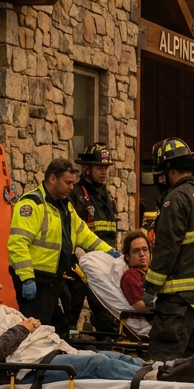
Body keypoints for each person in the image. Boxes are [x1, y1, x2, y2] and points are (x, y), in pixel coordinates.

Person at [0, 258, 194, 384]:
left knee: (111, 355)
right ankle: (160, 378)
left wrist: (27, 328)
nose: (0, 287)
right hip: (22, 372)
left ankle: (168, 366)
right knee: (96, 363)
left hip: (39, 356)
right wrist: (23, 327)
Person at [8, 158, 117, 338]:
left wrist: (109, 252)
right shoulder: (32, 205)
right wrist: (27, 278)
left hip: (54, 279)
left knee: (60, 328)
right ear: (52, 179)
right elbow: (18, 243)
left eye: (72, 183)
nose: (71, 187)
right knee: (38, 331)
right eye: (67, 182)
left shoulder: (64, 206)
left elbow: (84, 234)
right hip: (36, 279)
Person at [144, 138, 194, 362]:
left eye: (162, 173)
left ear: (171, 170)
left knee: (165, 362)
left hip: (178, 301)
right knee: (191, 363)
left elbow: (167, 249)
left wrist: (151, 287)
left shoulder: (176, 198)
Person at [69, 143, 121, 334]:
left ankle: (106, 343)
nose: (104, 172)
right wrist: (79, 256)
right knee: (72, 310)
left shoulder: (106, 195)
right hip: (80, 266)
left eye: (106, 168)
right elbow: (72, 230)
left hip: (104, 265)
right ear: (86, 169)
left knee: (105, 313)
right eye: (100, 167)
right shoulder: (75, 194)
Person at [119, 230, 152, 314]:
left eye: (145, 249)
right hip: (145, 319)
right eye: (136, 251)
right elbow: (142, 307)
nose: (142, 254)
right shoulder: (130, 276)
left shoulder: (151, 272)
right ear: (127, 257)